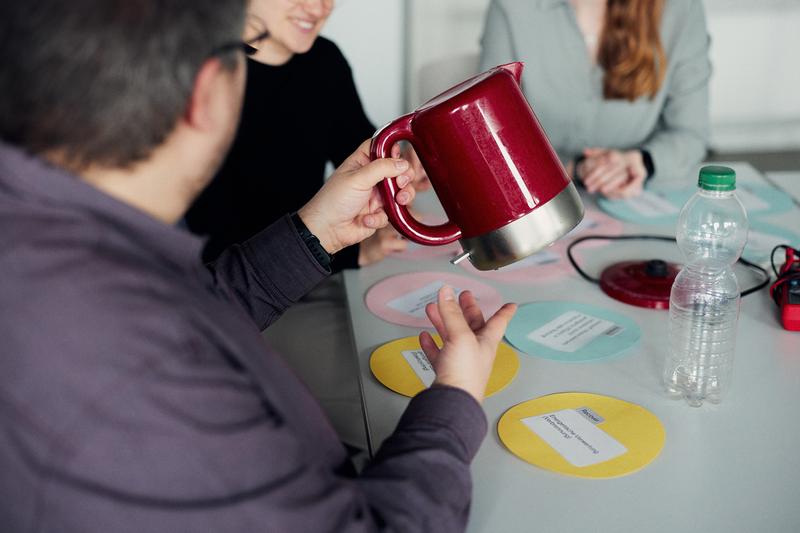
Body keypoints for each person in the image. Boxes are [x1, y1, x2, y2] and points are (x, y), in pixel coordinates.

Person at [0, 1, 516, 531]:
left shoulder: (54, 238)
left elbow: (198, 310)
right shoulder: (132, 374)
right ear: (206, 93)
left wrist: (314, 233)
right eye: (240, 49)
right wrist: (453, 404)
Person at [186, 0, 420, 267]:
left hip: (317, 260)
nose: (319, 7)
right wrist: (351, 254)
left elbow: (361, 150)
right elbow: (217, 244)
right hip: (242, 291)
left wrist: (403, 165)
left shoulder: (324, 60)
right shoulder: (196, 78)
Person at [479, 0, 711, 199]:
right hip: (537, 199)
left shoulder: (681, 9)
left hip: (640, 199)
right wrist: (575, 168)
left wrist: (641, 162)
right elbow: (488, 138)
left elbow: (690, 135)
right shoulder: (511, 8)